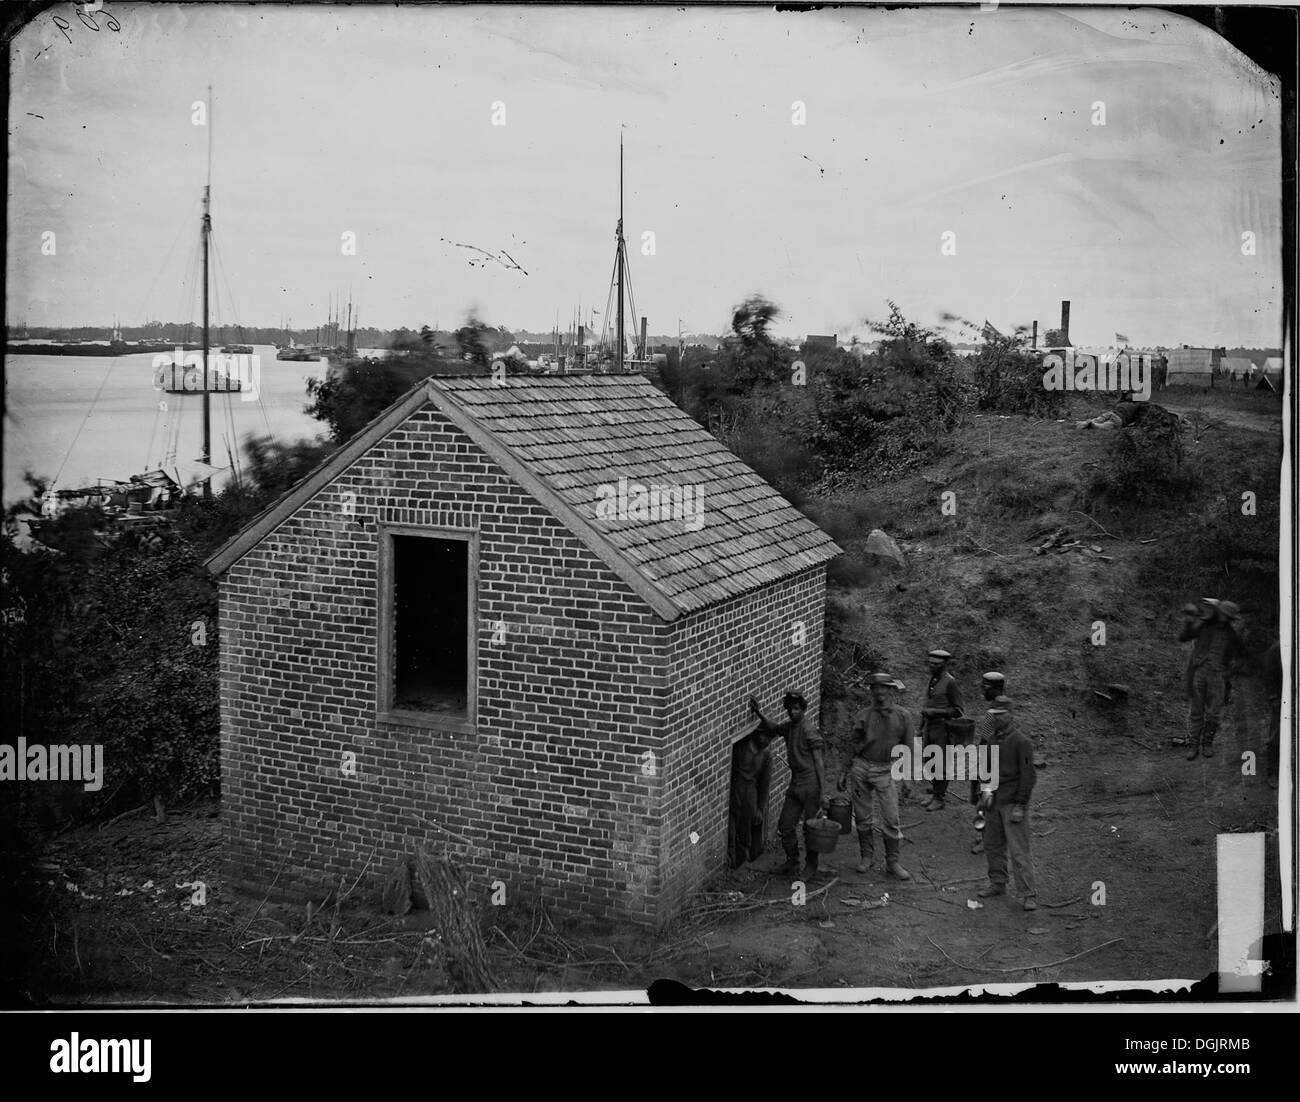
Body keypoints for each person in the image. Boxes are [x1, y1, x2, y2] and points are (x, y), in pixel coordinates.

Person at [749, 690, 829, 879]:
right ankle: (792, 862)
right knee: (785, 825)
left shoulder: (809, 730)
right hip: (796, 782)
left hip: (810, 784)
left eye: (796, 709)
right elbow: (773, 728)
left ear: (802, 709)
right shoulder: (790, 727)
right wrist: (759, 713)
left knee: (810, 829)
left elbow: (819, 763)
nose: (792, 712)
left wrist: (822, 793)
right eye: (790, 709)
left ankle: (811, 866)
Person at [842, 672, 912, 880]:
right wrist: (843, 771)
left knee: (891, 818)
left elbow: (908, 748)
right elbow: (852, 744)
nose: (880, 694)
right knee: (863, 817)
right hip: (862, 767)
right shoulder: (864, 715)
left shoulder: (903, 716)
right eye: (875, 690)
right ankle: (866, 856)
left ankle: (892, 862)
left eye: (884, 689)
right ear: (872, 693)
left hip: (886, 769)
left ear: (892, 691)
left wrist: (907, 778)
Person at [976, 697, 1038, 911]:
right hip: (993, 799)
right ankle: (998, 883)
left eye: (1002, 713)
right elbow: (986, 770)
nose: (997, 717)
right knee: (992, 845)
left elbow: (1028, 776)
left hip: (1012, 801)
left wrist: (1021, 805)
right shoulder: (991, 739)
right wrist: (983, 795)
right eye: (994, 714)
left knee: (1019, 850)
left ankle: (1028, 893)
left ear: (1011, 714)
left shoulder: (1022, 742)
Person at [1179, 598, 1243, 760]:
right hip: (1199, 672)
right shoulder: (1204, 625)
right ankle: (1193, 746)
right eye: (1224, 615)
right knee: (1196, 712)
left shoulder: (1231, 634)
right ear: (1220, 613)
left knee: (1214, 714)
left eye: (1228, 617)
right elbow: (1184, 637)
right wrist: (1188, 622)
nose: (1225, 619)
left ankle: (1207, 744)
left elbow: (1238, 657)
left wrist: (1228, 672)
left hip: (1218, 677)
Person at [919, 649, 963, 811]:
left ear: (944, 665)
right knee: (930, 761)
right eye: (930, 663)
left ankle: (939, 798)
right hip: (930, 727)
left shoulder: (950, 682)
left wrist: (936, 712)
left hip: (943, 728)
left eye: (936, 664)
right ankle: (935, 792)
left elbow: (958, 711)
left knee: (941, 763)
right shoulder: (933, 680)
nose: (931, 666)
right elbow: (928, 705)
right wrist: (920, 727)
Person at [969, 671, 1006, 855]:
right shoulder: (1002, 707)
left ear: (997, 689)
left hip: (992, 760)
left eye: (986, 687)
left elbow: (987, 741)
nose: (982, 690)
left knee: (985, 801)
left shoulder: (995, 712)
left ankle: (986, 839)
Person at [728, 724, 774, 868]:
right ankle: (730, 856)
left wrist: (761, 808)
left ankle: (742, 858)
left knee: (746, 824)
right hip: (736, 787)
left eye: (769, 738)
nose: (766, 741)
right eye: (764, 736)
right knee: (732, 822)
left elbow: (765, 784)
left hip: (750, 791)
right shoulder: (742, 747)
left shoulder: (766, 756)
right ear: (757, 734)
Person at [1261, 639, 1282, 789]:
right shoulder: (1277, 649)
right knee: (1276, 736)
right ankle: (1272, 772)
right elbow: (1269, 675)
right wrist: (1274, 697)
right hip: (1282, 699)